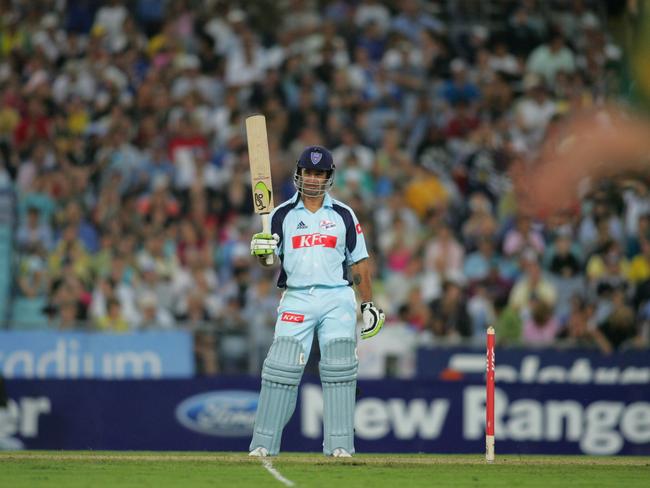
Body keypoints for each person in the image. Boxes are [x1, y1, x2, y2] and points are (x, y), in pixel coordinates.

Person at [248, 145, 385, 458]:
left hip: (337, 296)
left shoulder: (343, 215)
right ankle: (263, 445)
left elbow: (359, 262)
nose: (312, 178)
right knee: (280, 367)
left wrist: (367, 305)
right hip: (296, 295)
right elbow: (270, 262)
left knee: (339, 366)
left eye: (319, 173)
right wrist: (263, 255)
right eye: (308, 172)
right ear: (299, 173)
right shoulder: (280, 214)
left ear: (328, 176)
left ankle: (340, 446)